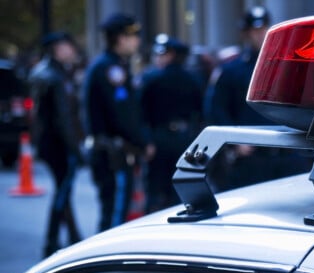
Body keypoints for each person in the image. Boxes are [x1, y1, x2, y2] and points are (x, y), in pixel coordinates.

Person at [204, 6, 312, 191]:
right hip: (252, 158)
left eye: (264, 30)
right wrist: (233, 141)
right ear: (247, 34)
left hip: (288, 155)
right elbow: (216, 109)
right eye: (256, 31)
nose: (260, 35)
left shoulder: (288, 65)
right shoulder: (232, 70)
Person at [84, 13, 155, 232]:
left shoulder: (112, 66)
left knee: (115, 212)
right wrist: (144, 143)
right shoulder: (110, 69)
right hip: (112, 153)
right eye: (133, 36)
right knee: (114, 218)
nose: (137, 41)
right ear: (120, 39)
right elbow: (123, 115)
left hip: (112, 151)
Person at [28, 32, 84, 257]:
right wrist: (75, 148)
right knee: (62, 192)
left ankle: (73, 237)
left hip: (50, 144)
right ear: (57, 49)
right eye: (67, 46)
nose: (71, 50)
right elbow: (63, 118)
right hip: (59, 145)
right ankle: (51, 242)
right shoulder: (54, 76)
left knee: (64, 190)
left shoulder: (46, 73)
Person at [139, 34, 203, 213]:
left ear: (171, 55)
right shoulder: (192, 78)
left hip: (158, 139)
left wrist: (146, 140)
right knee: (180, 189)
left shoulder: (150, 78)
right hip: (184, 138)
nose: (158, 59)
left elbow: (141, 112)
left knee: (156, 190)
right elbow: (201, 111)